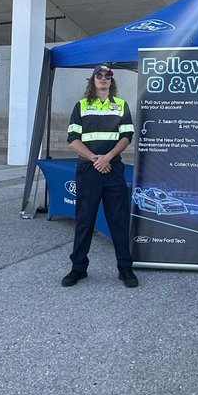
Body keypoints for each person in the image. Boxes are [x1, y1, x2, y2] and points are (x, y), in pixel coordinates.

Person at [63, 64, 138, 288]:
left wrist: (107, 158)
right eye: (99, 76)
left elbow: (126, 137)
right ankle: (78, 269)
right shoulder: (82, 105)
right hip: (89, 170)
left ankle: (125, 269)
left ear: (111, 81)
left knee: (119, 221)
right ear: (92, 80)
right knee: (85, 221)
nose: (103, 79)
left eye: (107, 76)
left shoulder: (121, 105)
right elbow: (73, 139)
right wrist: (96, 159)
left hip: (113, 169)